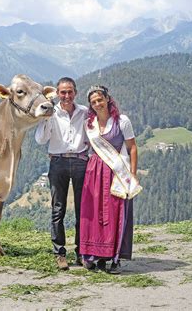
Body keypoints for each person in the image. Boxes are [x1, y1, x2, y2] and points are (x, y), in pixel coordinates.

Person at [79, 85, 140, 274]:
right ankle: (95, 256)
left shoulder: (122, 121)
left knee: (115, 214)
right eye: (93, 102)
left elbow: (133, 148)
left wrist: (132, 174)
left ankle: (114, 258)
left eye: (100, 100)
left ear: (107, 99)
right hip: (95, 171)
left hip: (116, 173)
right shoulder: (90, 124)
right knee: (94, 214)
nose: (98, 104)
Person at [35, 77, 89, 270]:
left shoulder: (84, 112)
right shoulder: (52, 112)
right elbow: (41, 140)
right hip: (58, 162)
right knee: (58, 209)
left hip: (81, 161)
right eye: (63, 92)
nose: (66, 96)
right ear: (57, 94)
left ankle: (82, 252)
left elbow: (93, 136)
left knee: (83, 211)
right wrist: (46, 118)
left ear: (75, 92)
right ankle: (60, 254)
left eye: (70, 92)